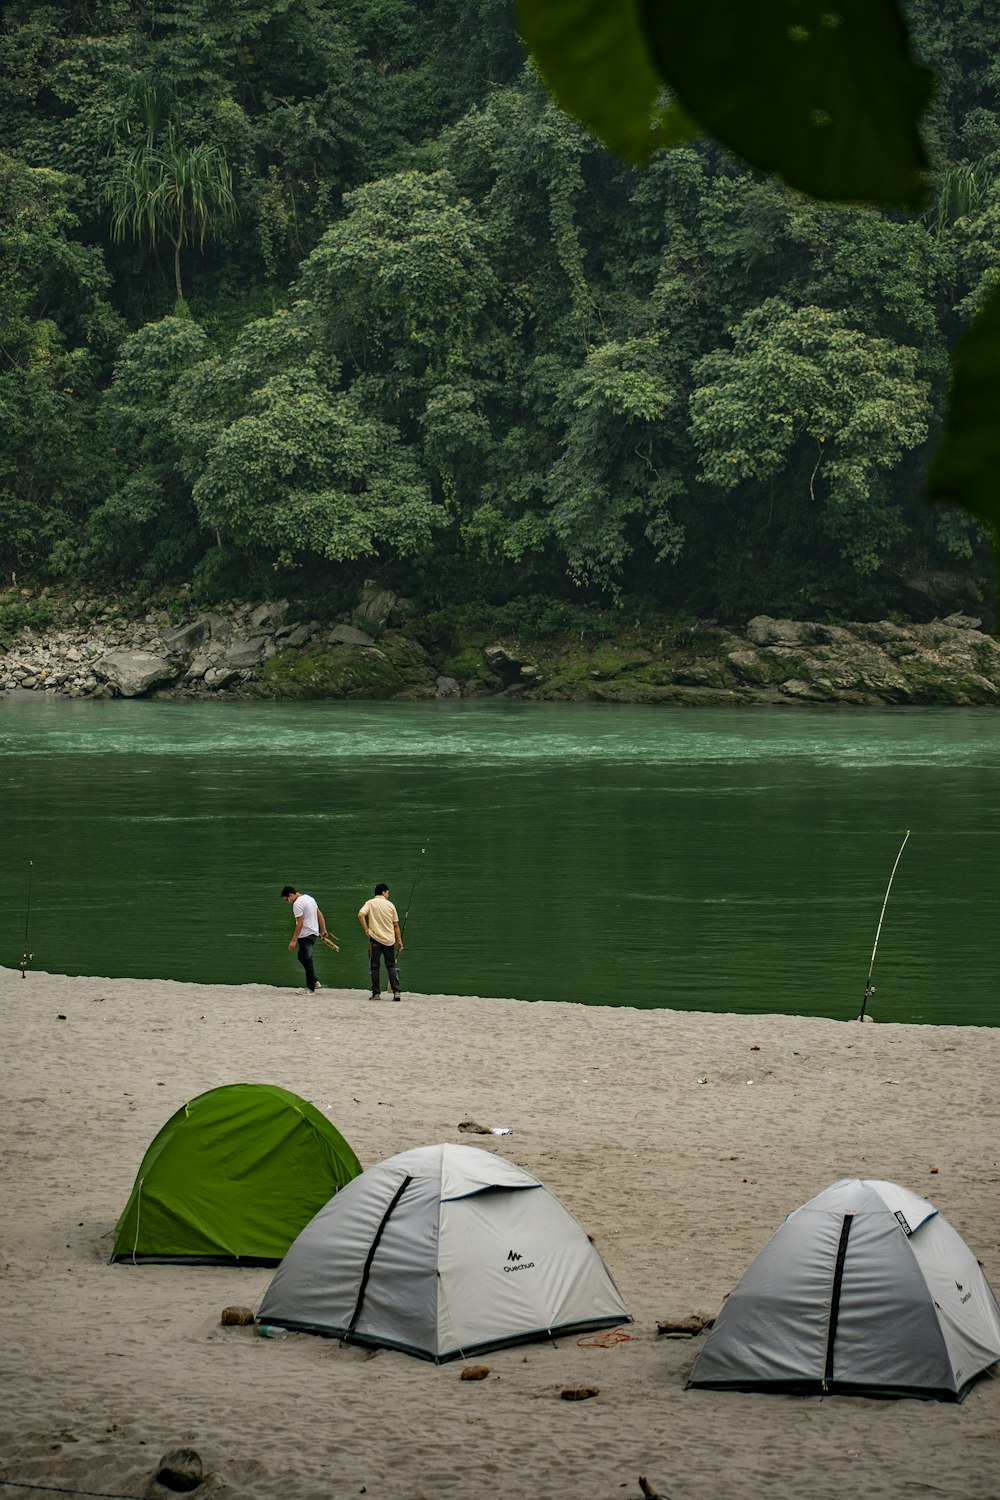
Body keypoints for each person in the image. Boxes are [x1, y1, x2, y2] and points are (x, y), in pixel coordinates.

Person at [358, 882, 404, 1001]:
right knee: (391, 966)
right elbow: (396, 925)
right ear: (383, 892)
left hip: (375, 940)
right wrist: (399, 941)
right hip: (389, 940)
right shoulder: (390, 905)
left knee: (374, 967)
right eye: (387, 892)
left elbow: (360, 914)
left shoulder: (370, 903)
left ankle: (376, 993)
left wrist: (366, 929)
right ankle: (396, 992)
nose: (388, 894)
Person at [281, 885, 328, 994]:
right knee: (301, 956)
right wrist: (323, 929)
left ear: (291, 895)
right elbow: (319, 915)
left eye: (287, 899)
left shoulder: (297, 904)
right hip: (313, 933)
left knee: (307, 959)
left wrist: (293, 940)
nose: (288, 902)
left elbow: (300, 923)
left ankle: (310, 988)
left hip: (305, 934)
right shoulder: (310, 898)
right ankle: (315, 981)